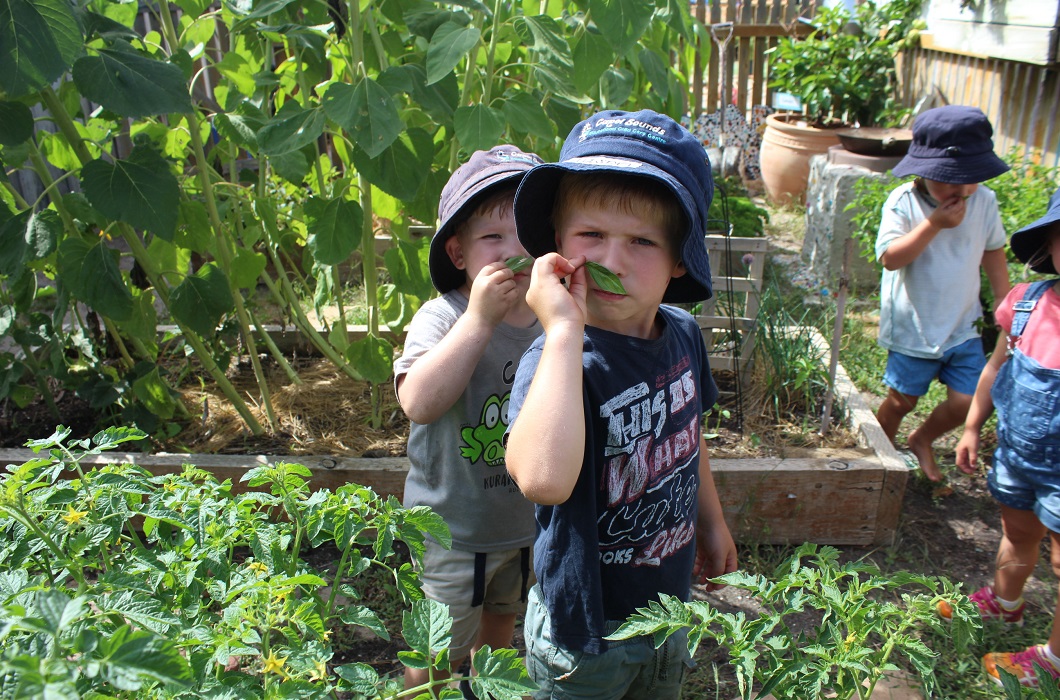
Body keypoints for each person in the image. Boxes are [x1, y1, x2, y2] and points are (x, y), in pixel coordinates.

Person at [505, 109, 738, 699]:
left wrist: (710, 522)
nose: (612, 261)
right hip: (586, 634)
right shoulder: (560, 361)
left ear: (680, 258)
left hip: (667, 608)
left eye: (641, 241)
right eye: (592, 236)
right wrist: (561, 331)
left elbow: (689, 438)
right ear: (558, 245)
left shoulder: (682, 333)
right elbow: (542, 481)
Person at [393, 145, 543, 695]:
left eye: (527, 234)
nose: (515, 252)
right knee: (436, 649)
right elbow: (419, 403)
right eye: (493, 239)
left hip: (522, 523)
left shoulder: (550, 316)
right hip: (452, 529)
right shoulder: (445, 317)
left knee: (500, 626)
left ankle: (485, 687)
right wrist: (481, 319)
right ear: (458, 254)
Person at [948, 189, 1060, 688]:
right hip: (1019, 455)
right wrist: (972, 425)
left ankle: (1053, 660)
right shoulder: (1026, 304)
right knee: (1017, 533)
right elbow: (996, 368)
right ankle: (1005, 604)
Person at [873, 105, 1011, 482]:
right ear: (924, 171)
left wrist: (1003, 298)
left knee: (967, 402)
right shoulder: (905, 202)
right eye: (951, 180)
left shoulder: (984, 201)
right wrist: (934, 224)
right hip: (914, 326)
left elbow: (993, 249)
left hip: (962, 324)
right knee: (903, 400)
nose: (963, 190)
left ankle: (922, 439)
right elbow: (890, 258)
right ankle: (879, 458)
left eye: (972, 179)